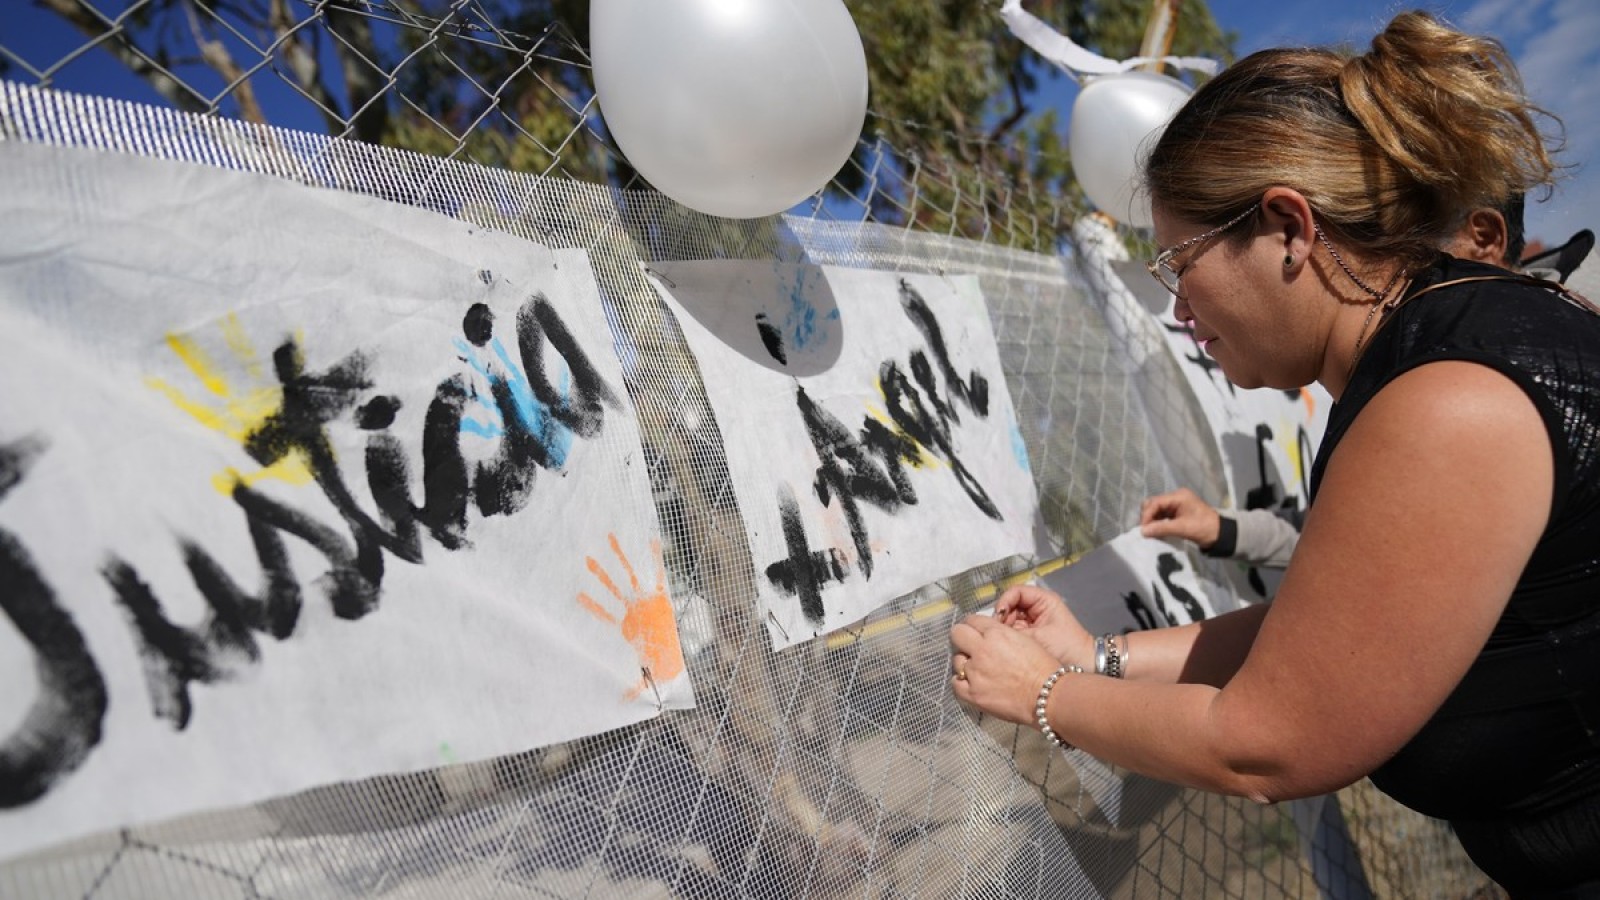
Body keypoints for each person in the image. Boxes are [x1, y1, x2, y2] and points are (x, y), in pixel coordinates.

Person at [949, 11, 1600, 896]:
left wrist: (1044, 695)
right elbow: (1332, 630)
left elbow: (1269, 742)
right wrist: (1100, 658)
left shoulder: (1447, 395)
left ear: (1289, 228)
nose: (1178, 309)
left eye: (1179, 263)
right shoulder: (1444, 344)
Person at [1141, 193, 1533, 566]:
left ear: (1483, 239)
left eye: (1414, 238)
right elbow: (1347, 537)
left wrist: (1100, 642)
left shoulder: (1463, 389)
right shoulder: (1406, 369)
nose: (1380, 254)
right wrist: (1223, 529)